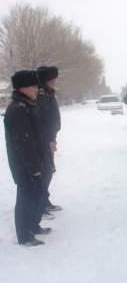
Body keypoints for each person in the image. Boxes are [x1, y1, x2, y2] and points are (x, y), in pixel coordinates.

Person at [4, 70, 50, 246]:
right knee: (26, 198)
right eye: (34, 86)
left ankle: (33, 226)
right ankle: (25, 235)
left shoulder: (28, 105)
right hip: (25, 165)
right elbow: (25, 143)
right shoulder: (18, 110)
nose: (37, 89)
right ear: (24, 88)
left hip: (35, 162)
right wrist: (35, 168)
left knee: (35, 196)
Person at [36, 66, 62, 217]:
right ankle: (40, 204)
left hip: (49, 138)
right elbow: (41, 121)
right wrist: (49, 140)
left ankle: (44, 200)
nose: (54, 82)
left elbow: (52, 117)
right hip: (43, 141)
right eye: (52, 80)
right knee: (45, 172)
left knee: (48, 171)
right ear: (45, 80)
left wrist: (53, 137)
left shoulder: (48, 93)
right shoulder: (40, 94)